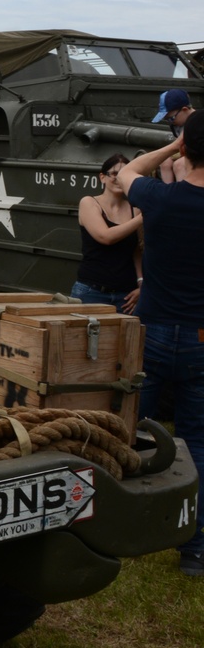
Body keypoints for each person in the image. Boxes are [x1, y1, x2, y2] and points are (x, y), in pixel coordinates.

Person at [116, 111, 204, 576]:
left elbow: (129, 170)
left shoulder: (160, 198)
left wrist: (172, 147)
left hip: (149, 333)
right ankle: (194, 548)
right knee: (200, 440)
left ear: (187, 150)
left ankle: (119, 523)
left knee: (129, 430)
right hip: (201, 338)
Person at [70, 153, 142, 314]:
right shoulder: (89, 203)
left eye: (124, 175)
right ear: (102, 177)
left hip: (126, 295)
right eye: (115, 174)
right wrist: (143, 217)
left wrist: (141, 284)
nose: (119, 179)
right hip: (92, 291)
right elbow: (106, 237)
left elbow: (136, 250)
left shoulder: (135, 208)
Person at [153, 88, 193, 183]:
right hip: (186, 152)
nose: (171, 122)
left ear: (184, 109)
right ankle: (168, 191)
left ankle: (182, 194)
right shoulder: (177, 125)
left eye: (171, 118)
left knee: (179, 165)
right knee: (164, 162)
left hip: (197, 154)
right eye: (167, 119)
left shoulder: (197, 122)